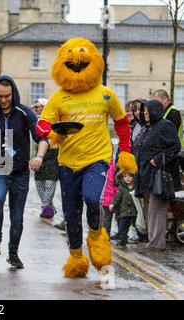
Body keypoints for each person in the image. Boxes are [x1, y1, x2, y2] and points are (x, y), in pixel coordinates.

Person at [35, 38, 137, 278]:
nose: (77, 60)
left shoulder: (106, 94)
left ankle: (95, 235)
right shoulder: (59, 97)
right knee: (70, 214)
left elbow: (122, 123)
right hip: (68, 163)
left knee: (92, 198)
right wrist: (45, 130)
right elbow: (44, 124)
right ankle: (76, 257)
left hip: (97, 160)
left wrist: (125, 152)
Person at [0, 76, 48, 269]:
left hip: (20, 172)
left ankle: (13, 253)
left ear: (13, 93)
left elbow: (42, 138)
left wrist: (38, 157)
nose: (3, 100)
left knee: (17, 215)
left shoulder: (25, 113)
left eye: (6, 96)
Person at [133, 99, 181, 251]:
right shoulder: (148, 127)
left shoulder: (165, 125)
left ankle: (156, 243)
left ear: (155, 111)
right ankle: (152, 241)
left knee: (156, 210)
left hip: (158, 175)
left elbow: (175, 146)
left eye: (148, 111)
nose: (145, 114)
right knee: (149, 209)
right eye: (144, 111)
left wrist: (157, 159)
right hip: (145, 175)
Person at [31, 98, 59, 219]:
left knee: (49, 184)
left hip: (52, 157)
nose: (35, 109)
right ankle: (49, 207)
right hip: (38, 157)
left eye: (38, 107)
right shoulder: (33, 122)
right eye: (35, 107)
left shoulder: (54, 121)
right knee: (39, 183)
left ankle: (45, 207)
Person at [109, 171, 138, 248]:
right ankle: (122, 239)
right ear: (122, 178)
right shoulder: (122, 187)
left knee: (137, 226)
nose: (127, 178)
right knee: (122, 227)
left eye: (130, 176)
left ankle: (141, 236)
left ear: (134, 177)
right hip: (124, 212)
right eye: (125, 176)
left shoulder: (136, 187)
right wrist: (113, 204)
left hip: (134, 212)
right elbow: (117, 197)